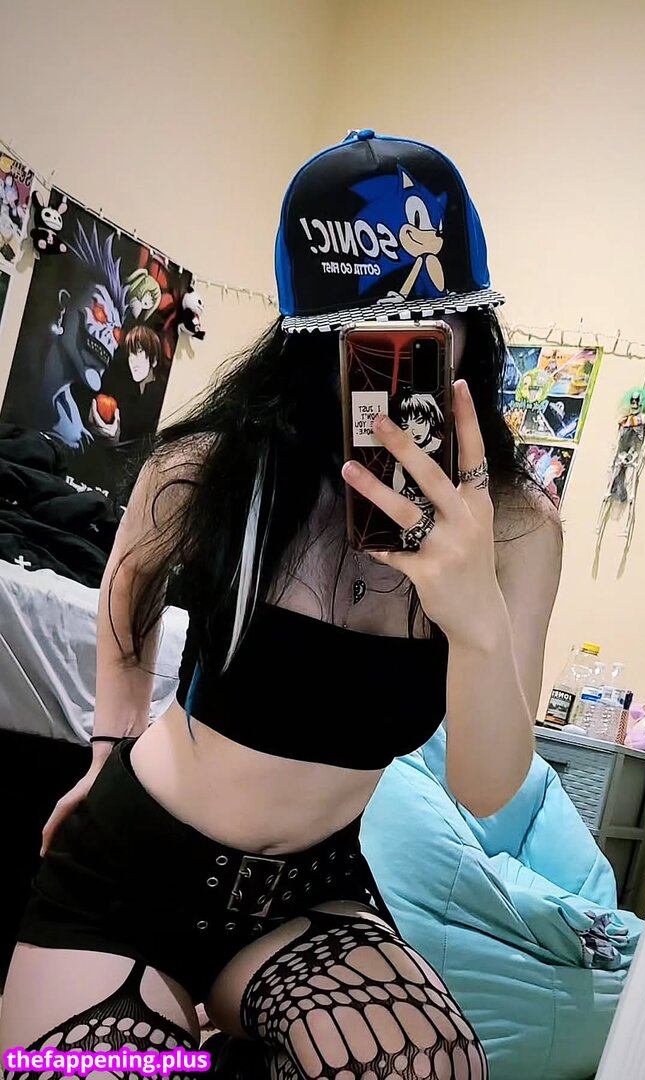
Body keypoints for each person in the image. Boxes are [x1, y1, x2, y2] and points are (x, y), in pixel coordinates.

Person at [0, 129, 563, 1080]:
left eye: (428, 329)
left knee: (440, 1066)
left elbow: (487, 789)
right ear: (308, 342)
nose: (392, 366)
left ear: (472, 329)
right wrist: (106, 745)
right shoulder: (213, 471)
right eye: (360, 334)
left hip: (308, 894)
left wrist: (473, 616)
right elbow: (126, 586)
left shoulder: (518, 530)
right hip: (131, 868)